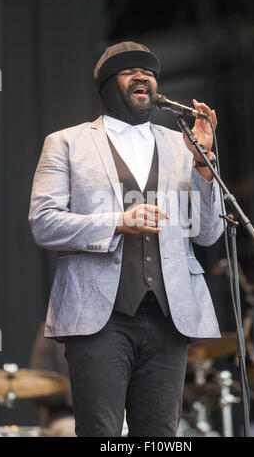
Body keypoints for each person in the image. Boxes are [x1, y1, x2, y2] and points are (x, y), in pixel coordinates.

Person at [29, 41, 224, 437]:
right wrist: (118, 221)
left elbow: (207, 232)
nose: (143, 77)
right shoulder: (66, 143)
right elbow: (44, 222)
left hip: (169, 317)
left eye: (150, 72)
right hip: (99, 318)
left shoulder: (179, 143)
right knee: (100, 431)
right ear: (106, 85)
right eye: (129, 70)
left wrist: (205, 167)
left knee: (160, 436)